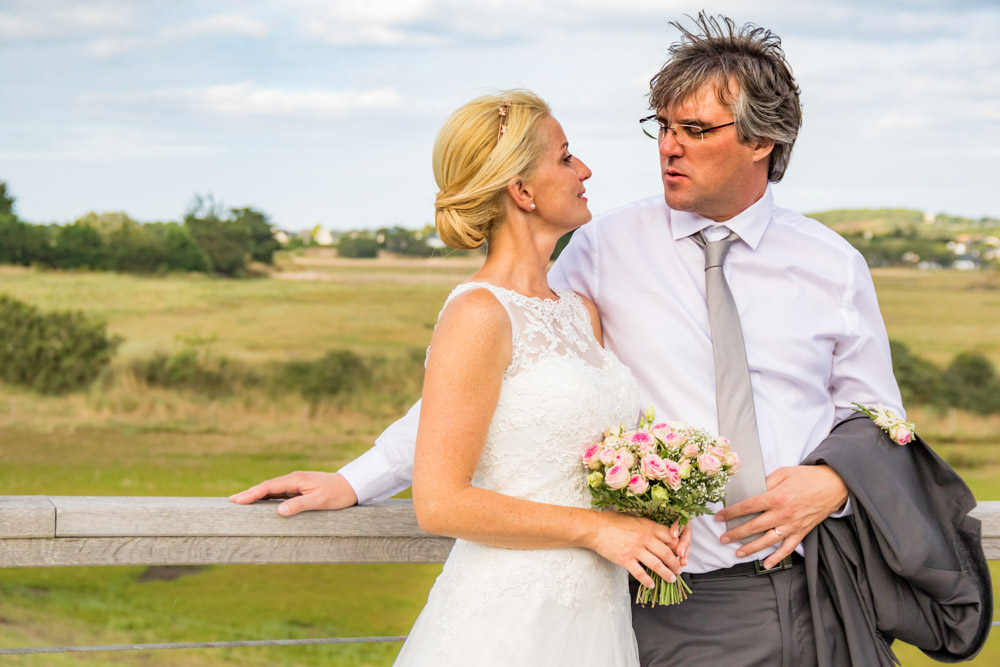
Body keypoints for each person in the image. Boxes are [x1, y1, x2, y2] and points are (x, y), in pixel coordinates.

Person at [233, 14, 905, 666]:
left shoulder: (834, 264)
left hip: (818, 583)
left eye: (694, 129)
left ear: (762, 140)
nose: (668, 147)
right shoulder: (604, 248)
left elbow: (881, 417)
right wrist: (358, 479)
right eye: (662, 127)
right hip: (669, 596)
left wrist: (833, 479)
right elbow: (493, 377)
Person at [236, 89, 691, 665]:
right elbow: (440, 503)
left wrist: (652, 510)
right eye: (565, 156)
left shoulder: (581, 313)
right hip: (508, 616)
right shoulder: (477, 314)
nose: (585, 170)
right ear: (521, 191)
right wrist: (598, 530)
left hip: (596, 613)